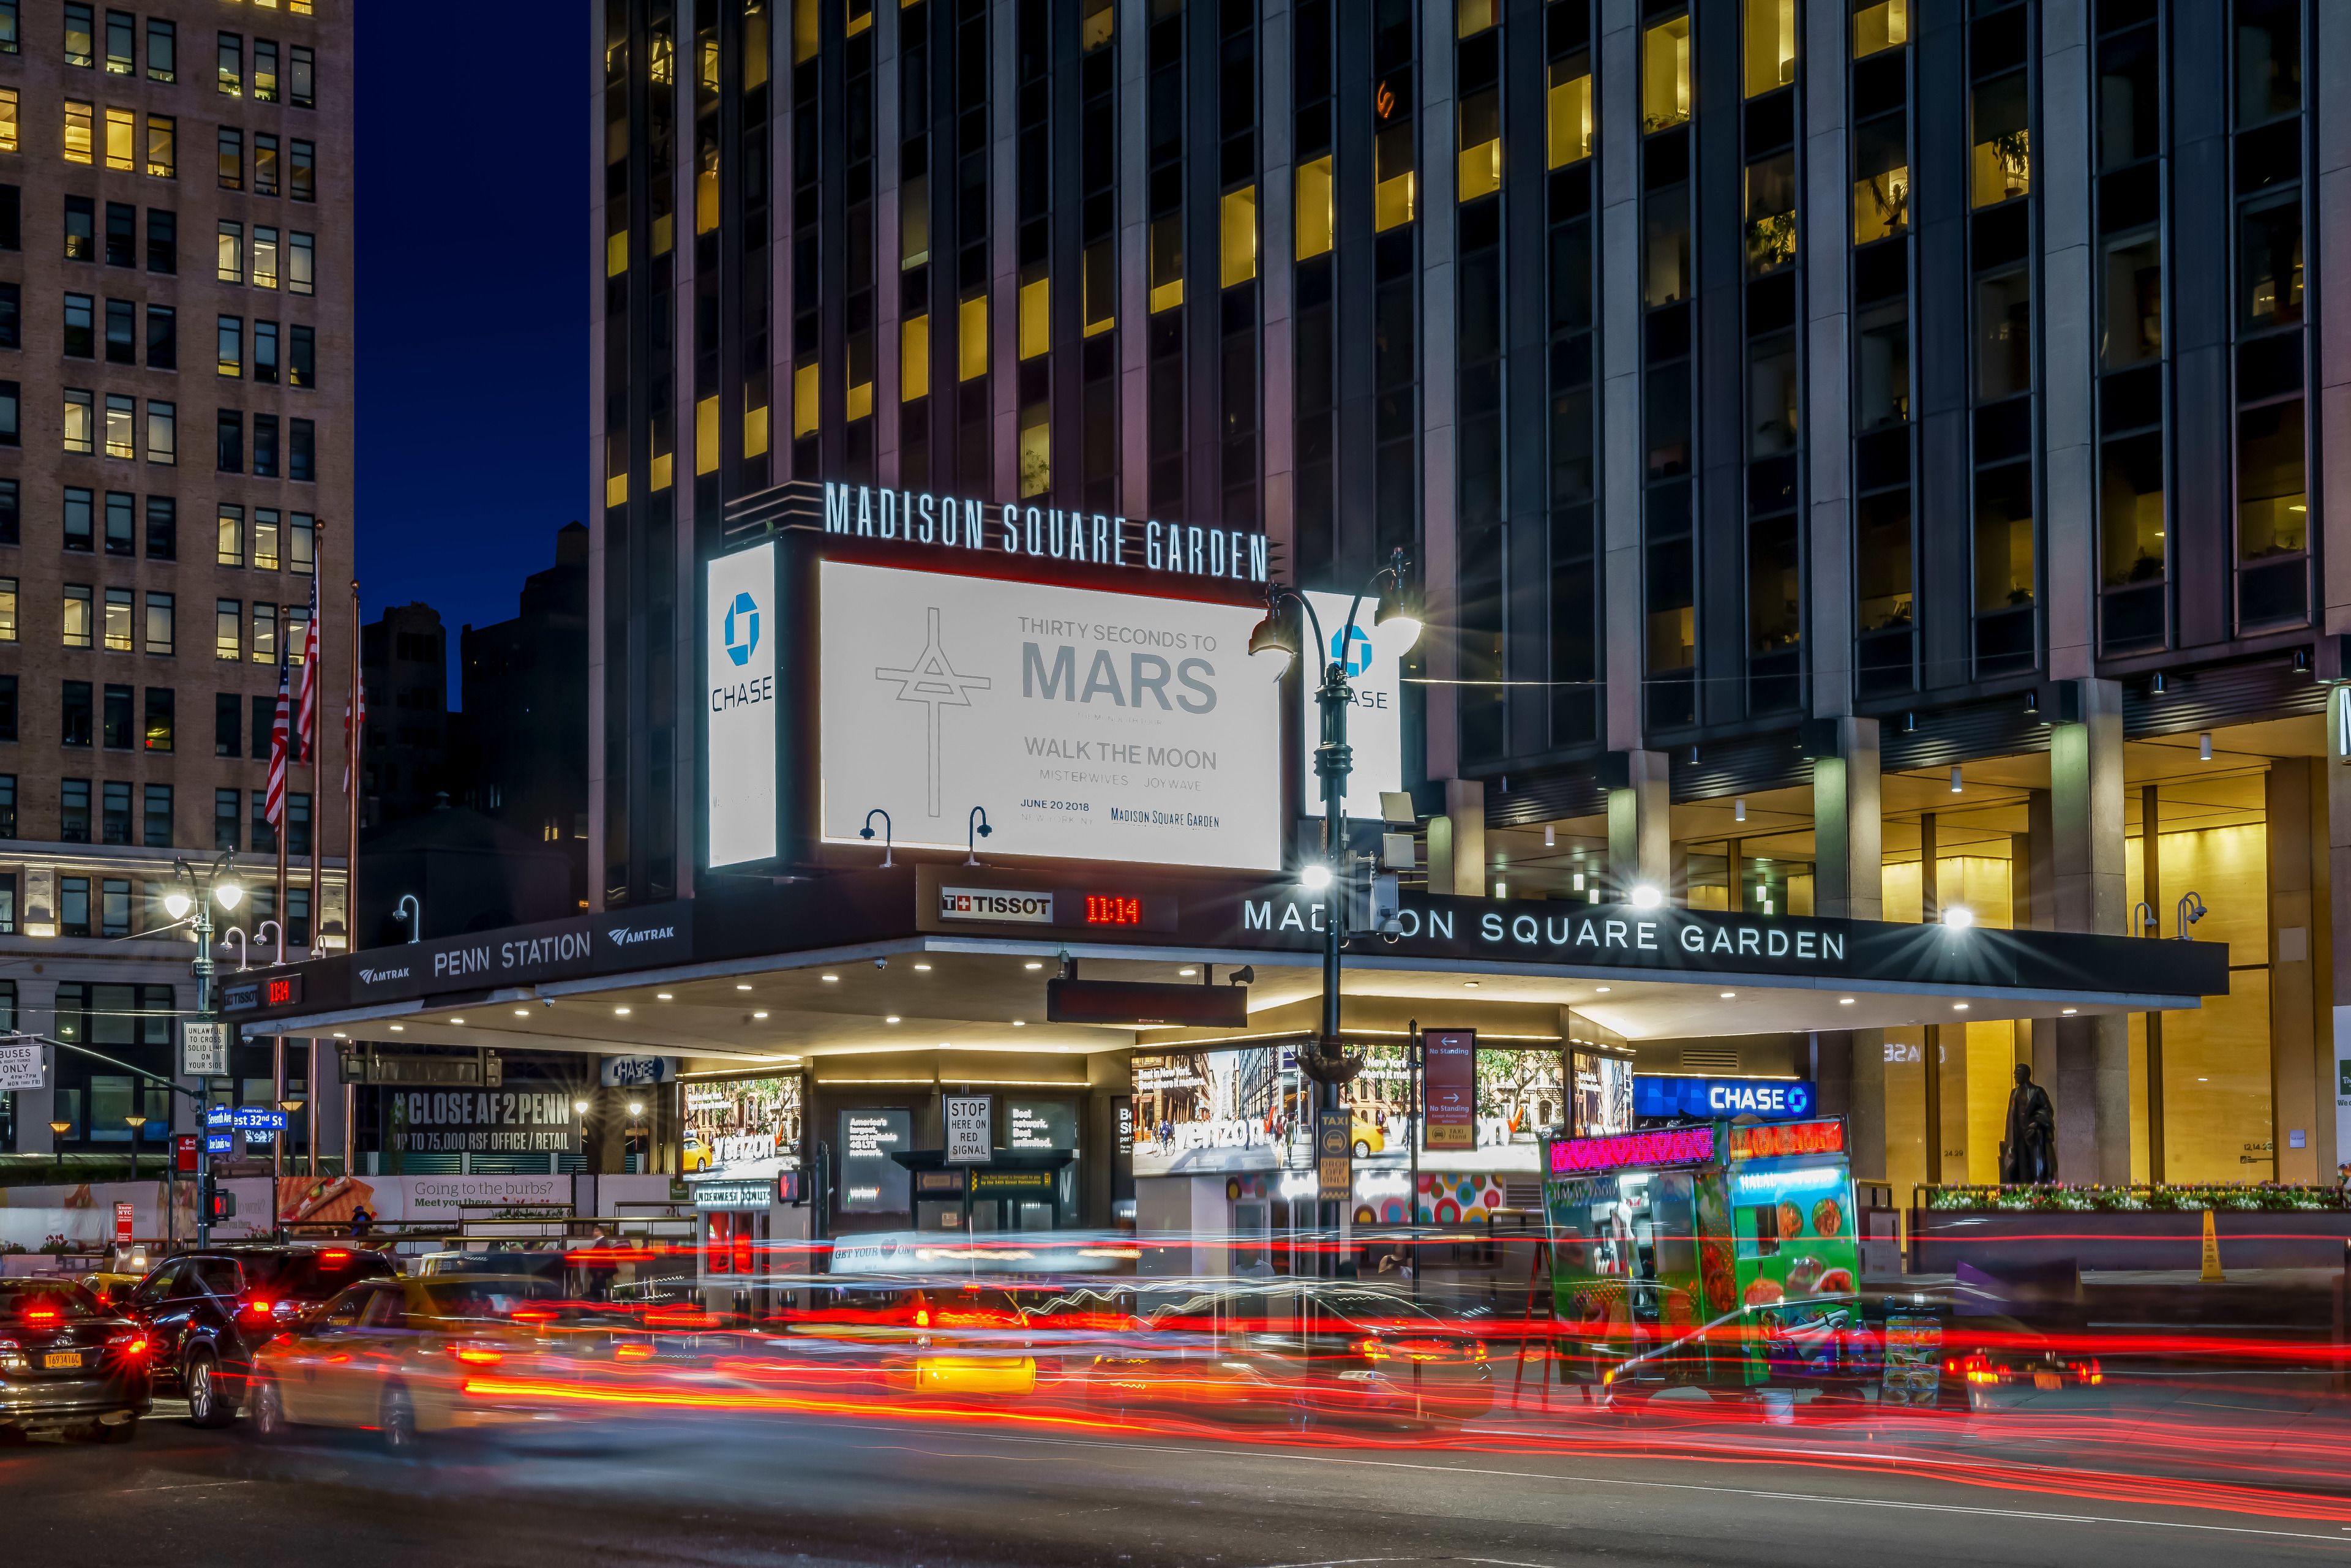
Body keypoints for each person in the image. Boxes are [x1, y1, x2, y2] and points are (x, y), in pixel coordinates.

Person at [1999, 1062, 2057, 1185]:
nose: (2015, 1075)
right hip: (2017, 1137)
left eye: (2018, 1073)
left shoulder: (2037, 1092)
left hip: (2033, 1137)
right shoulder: (2014, 1093)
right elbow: (2009, 1117)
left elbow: (2047, 1111)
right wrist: (2007, 1138)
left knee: (2035, 1169)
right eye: (2015, 1073)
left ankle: (2038, 1195)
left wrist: (2035, 1125)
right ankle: (2019, 1196)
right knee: (2019, 1168)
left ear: (2026, 1075)